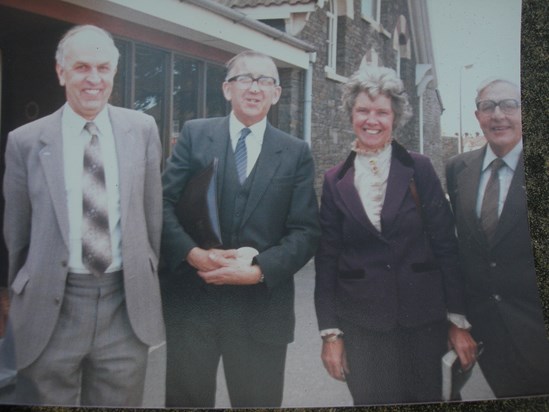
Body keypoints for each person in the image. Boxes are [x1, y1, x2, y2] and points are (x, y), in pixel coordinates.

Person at [2, 25, 165, 406]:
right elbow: (16, 233)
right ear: (61, 73)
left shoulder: (141, 129)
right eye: (81, 68)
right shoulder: (25, 141)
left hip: (123, 306)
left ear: (114, 73)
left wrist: (144, 269)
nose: (94, 79)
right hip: (51, 307)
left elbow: (151, 215)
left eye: (103, 68)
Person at [161, 50, 320, 408]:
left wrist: (260, 271)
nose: (254, 88)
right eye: (244, 78)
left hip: (260, 312)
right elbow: (162, 204)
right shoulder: (194, 135)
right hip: (193, 305)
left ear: (276, 93)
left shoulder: (295, 153)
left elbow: (306, 231)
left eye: (265, 80)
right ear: (226, 89)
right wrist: (193, 254)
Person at [314, 66, 477, 405]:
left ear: (395, 117)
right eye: (363, 110)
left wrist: (458, 321)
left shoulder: (419, 168)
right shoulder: (334, 180)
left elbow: (446, 246)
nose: (371, 120)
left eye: (381, 112)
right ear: (351, 115)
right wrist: (330, 334)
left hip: (423, 323)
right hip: (362, 328)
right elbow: (327, 259)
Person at [446, 78, 549, 397]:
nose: (498, 115)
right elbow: (459, 248)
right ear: (477, 116)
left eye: (509, 105)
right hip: (489, 334)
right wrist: (457, 321)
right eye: (487, 107)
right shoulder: (457, 168)